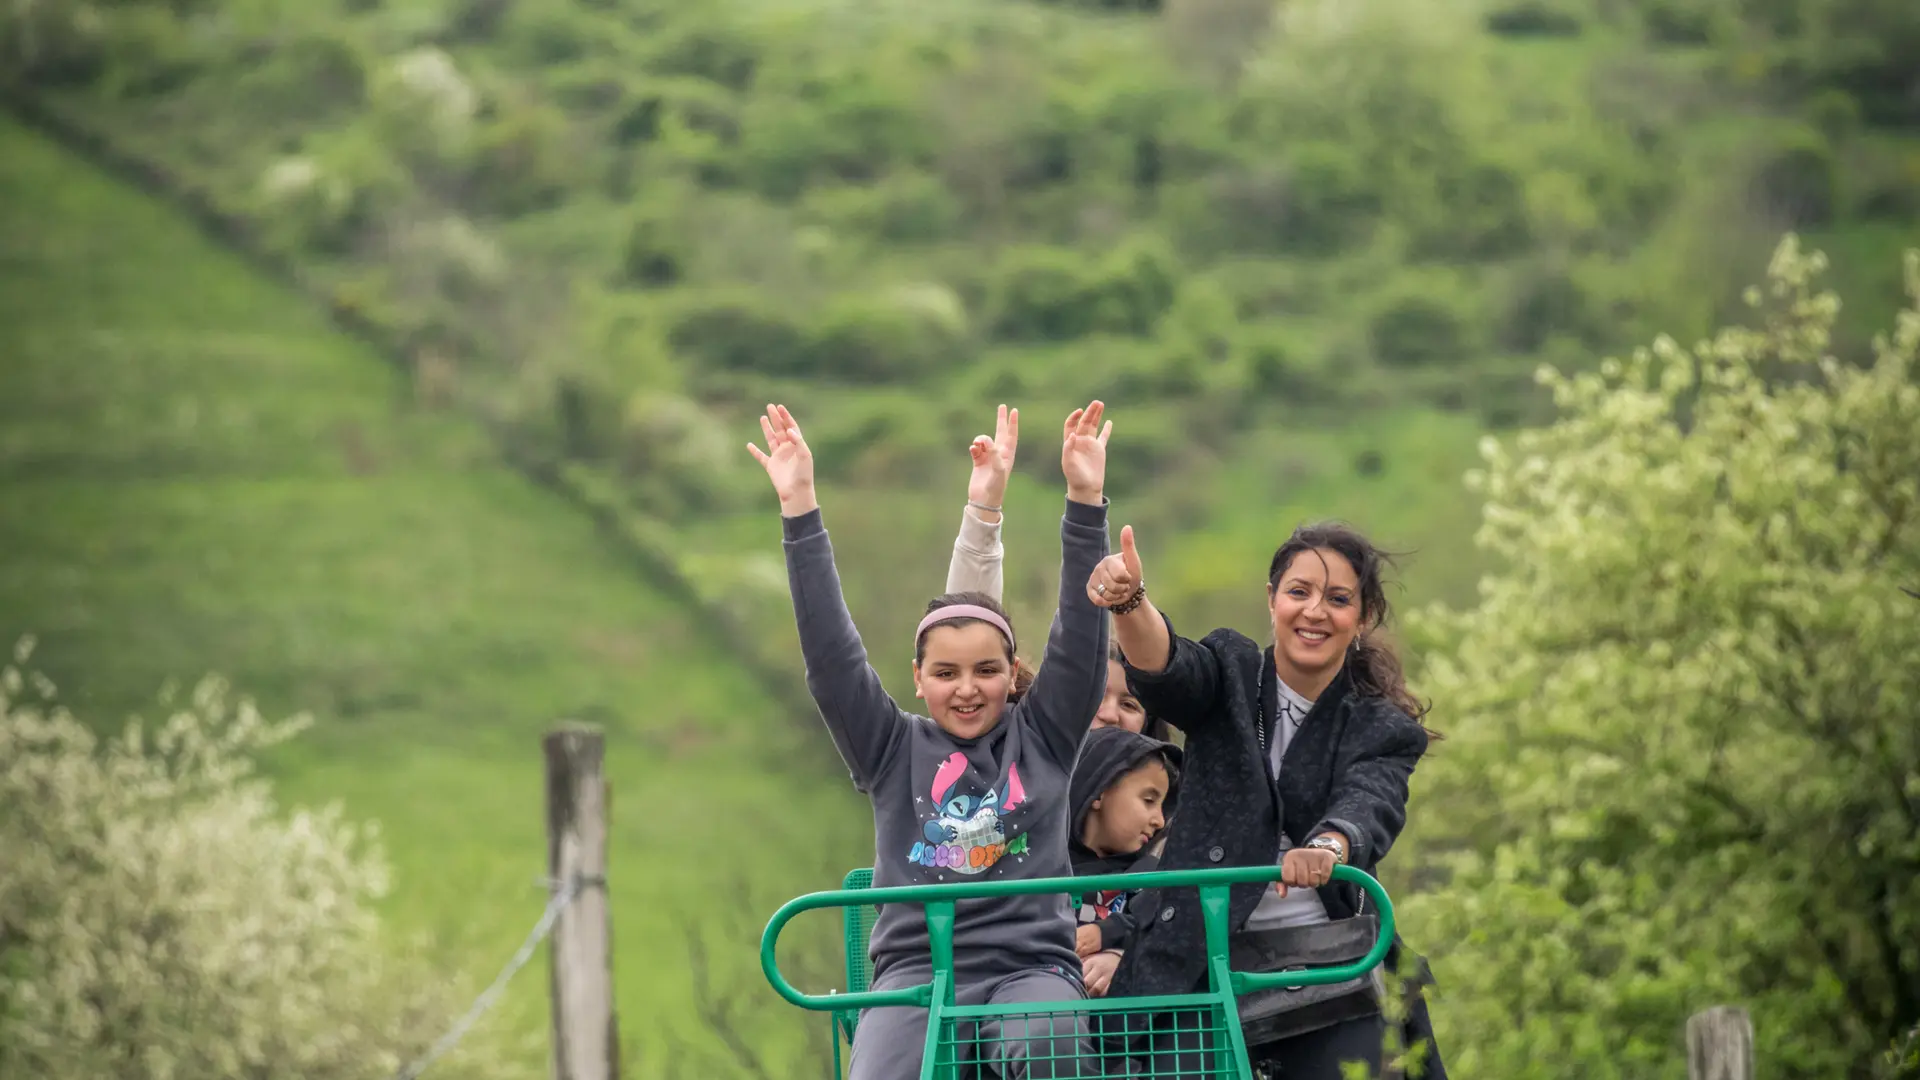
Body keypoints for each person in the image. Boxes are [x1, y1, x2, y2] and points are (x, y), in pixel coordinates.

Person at [749, 401, 1114, 1080]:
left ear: (1013, 676)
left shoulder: (1046, 737)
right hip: (916, 971)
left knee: (1048, 1046)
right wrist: (799, 509)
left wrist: (1085, 501)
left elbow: (1082, 640)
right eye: (945, 673)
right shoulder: (892, 749)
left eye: (986, 671)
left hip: (1030, 967)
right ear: (918, 679)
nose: (967, 689)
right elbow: (832, 659)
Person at [1086, 522, 1447, 1079]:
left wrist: (1328, 847)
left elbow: (1370, 802)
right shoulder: (1231, 671)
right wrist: (1130, 601)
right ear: (1272, 600)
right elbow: (1168, 667)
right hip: (1198, 955)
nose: (1314, 612)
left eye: (1338, 599)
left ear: (1364, 618)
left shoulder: (1379, 726)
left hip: (1327, 965)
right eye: (1299, 592)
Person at [944, 405, 1171, 740]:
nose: (1108, 715)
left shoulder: (1163, 786)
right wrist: (983, 510)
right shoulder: (1022, 766)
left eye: (1129, 704)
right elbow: (967, 641)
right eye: (1095, 697)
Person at [1067, 726, 1182, 998]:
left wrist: (1117, 951)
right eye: (1148, 800)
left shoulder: (1154, 875)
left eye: (1163, 806)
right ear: (1099, 792)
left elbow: (1168, 932)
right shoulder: (1042, 866)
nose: (1160, 820)